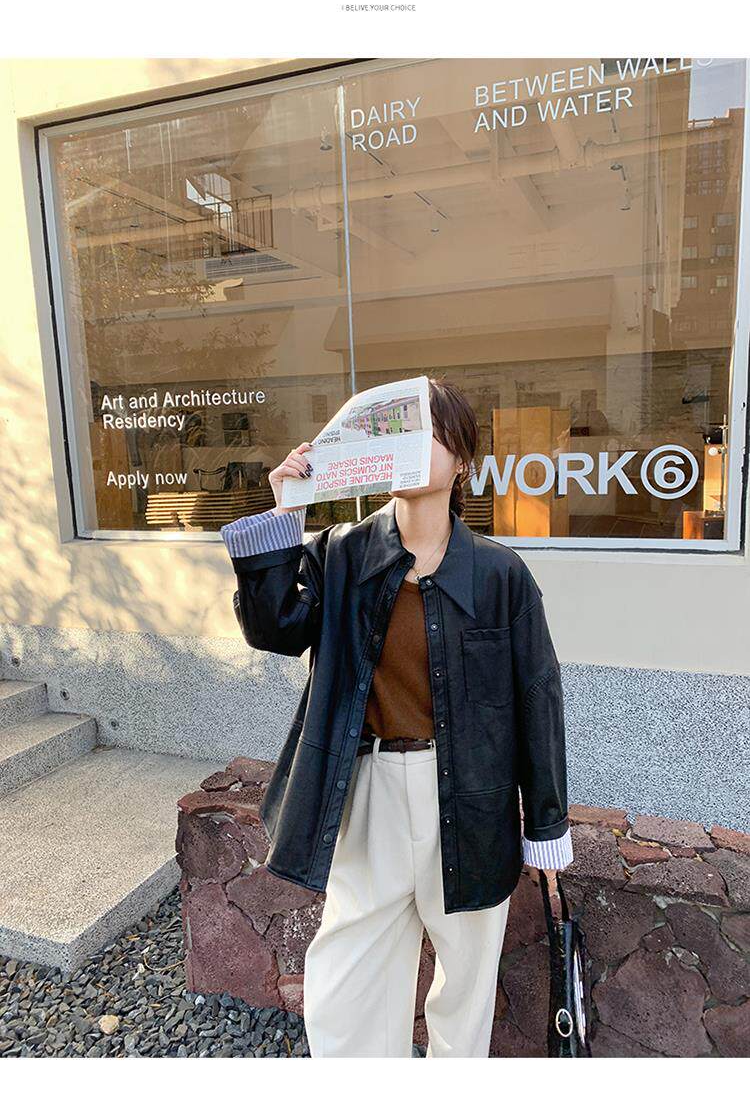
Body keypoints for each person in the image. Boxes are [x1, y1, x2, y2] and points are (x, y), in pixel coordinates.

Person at [221, 377, 573, 1058]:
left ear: (462, 459)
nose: (412, 446)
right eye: (400, 431)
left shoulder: (500, 574)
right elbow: (275, 628)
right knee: (348, 984)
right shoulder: (342, 553)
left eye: (430, 431)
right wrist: (285, 513)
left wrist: (547, 822)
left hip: (472, 799)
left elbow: (538, 697)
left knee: (465, 985)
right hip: (370, 793)